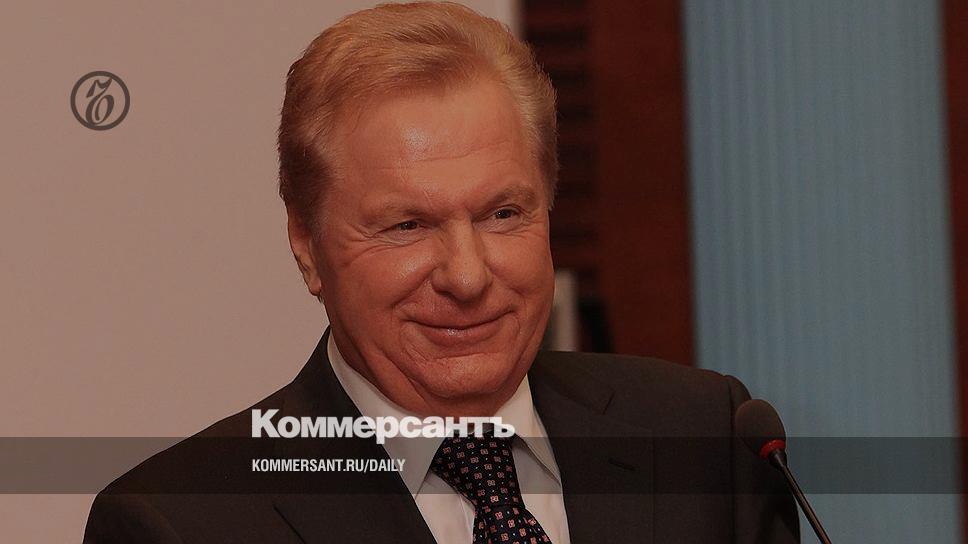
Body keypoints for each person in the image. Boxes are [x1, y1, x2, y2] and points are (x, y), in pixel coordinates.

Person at [83, 2, 799, 542]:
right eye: (408, 226)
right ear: (306, 245)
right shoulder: (180, 523)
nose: (466, 275)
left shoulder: (711, 442)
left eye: (502, 214)